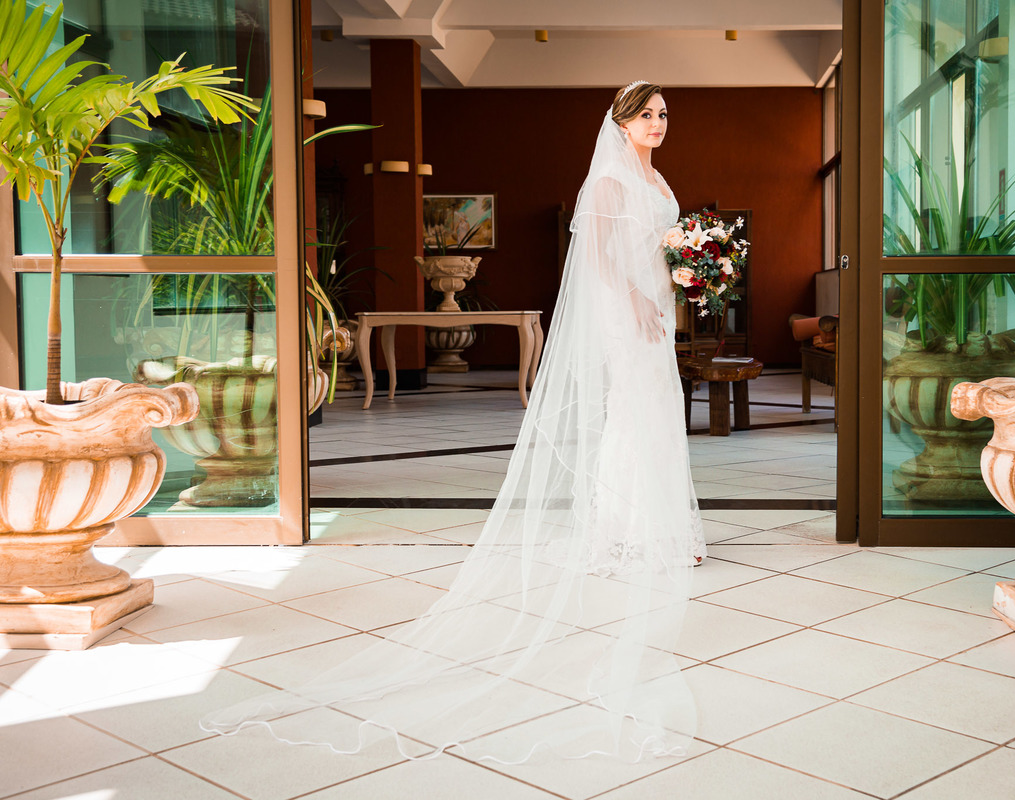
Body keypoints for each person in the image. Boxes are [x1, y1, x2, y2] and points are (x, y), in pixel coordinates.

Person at [200, 81, 705, 764]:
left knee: (659, 409)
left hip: (657, 305)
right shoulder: (610, 181)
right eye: (646, 114)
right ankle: (627, 532)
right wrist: (641, 302)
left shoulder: (657, 178)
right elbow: (600, 260)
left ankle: (665, 525)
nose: (657, 123)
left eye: (663, 114)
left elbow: (660, 248)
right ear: (620, 123)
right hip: (629, 311)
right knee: (633, 412)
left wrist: (687, 274)